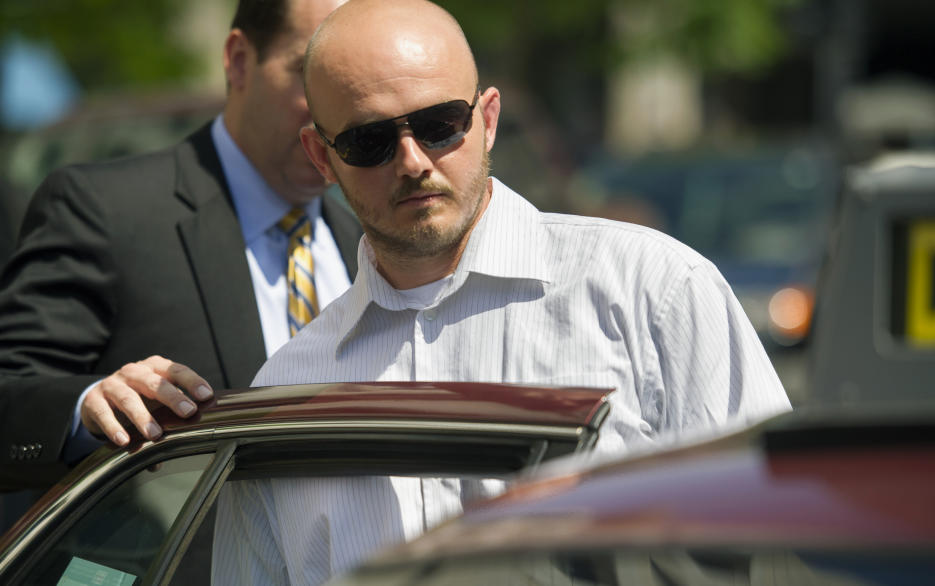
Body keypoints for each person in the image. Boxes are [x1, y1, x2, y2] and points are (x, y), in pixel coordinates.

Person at [210, 0, 792, 583]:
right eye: (369, 142)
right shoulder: (287, 392)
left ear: (487, 119)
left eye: (439, 124)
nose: (412, 162)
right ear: (322, 157)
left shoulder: (649, 292)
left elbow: (785, 537)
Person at [0, 0, 361, 492]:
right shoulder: (104, 209)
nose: (337, 107)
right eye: (311, 72)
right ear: (238, 59)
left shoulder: (372, 245)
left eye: (356, 80)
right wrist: (89, 405)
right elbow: (12, 393)